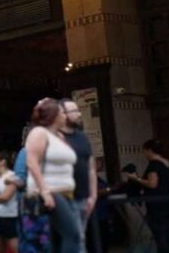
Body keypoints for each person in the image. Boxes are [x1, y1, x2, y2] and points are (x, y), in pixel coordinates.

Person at [23, 98, 81, 253]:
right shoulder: (39, 133)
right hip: (51, 191)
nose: (65, 116)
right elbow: (32, 161)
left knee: (57, 239)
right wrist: (44, 191)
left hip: (65, 192)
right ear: (54, 115)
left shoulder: (60, 136)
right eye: (62, 113)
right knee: (73, 234)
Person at [123, 140, 169, 253]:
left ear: (149, 150)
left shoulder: (153, 166)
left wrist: (135, 178)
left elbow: (152, 184)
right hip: (168, 203)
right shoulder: (166, 163)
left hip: (156, 207)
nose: (144, 154)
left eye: (145, 151)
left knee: (161, 238)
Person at [59, 101, 98, 249]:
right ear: (62, 115)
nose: (79, 114)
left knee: (80, 238)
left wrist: (93, 195)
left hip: (83, 198)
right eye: (73, 111)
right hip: (64, 199)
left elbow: (91, 168)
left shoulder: (82, 137)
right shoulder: (54, 137)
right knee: (74, 239)